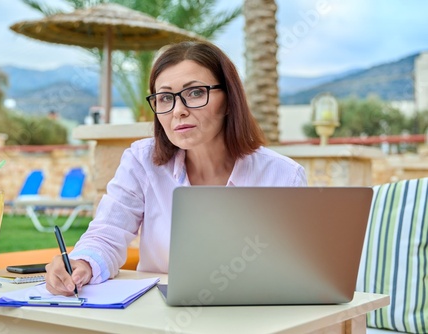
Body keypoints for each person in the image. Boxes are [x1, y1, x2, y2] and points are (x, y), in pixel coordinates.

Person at [45, 40, 307, 296]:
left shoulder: (282, 175)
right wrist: (83, 264)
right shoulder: (141, 161)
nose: (178, 111)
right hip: (159, 318)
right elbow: (108, 233)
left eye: (195, 93)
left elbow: (297, 270)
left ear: (228, 100)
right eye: (165, 98)